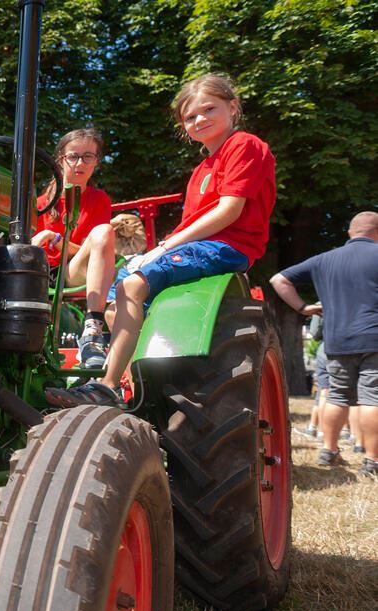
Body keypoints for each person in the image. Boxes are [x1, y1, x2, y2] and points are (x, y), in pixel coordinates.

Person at [46, 73, 276, 407]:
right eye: (190, 117)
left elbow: (228, 211)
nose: (199, 120)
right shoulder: (202, 169)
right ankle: (133, 388)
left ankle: (107, 387)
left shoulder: (244, 145)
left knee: (131, 287)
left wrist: (165, 246)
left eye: (208, 109)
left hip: (227, 246)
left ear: (233, 107)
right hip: (201, 245)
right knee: (114, 305)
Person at [270, 211, 378, 477]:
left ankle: (329, 451)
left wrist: (303, 308)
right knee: (372, 397)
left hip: (336, 340)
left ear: (351, 233)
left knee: (338, 395)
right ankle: (372, 460)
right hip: (374, 337)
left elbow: (278, 279)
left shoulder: (325, 259)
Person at [31, 127, 116, 367]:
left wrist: (56, 239)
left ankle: (93, 327)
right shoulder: (41, 203)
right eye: (73, 156)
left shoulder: (99, 200)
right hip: (44, 273)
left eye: (88, 156)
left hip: (74, 270)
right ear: (60, 159)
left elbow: (94, 249)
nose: (80, 163)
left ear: (96, 162)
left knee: (104, 232)